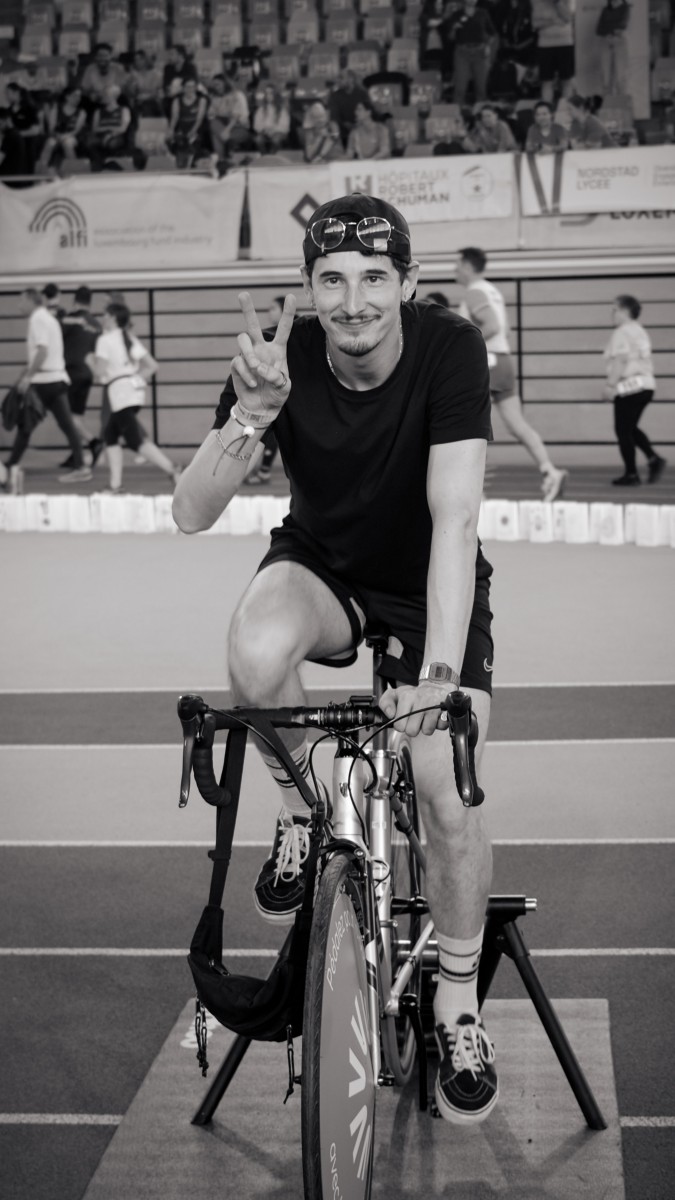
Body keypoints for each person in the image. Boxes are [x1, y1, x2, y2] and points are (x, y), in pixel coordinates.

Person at [174, 193, 500, 1126]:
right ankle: (304, 810)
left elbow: (455, 519)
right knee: (252, 649)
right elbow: (191, 512)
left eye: (373, 278)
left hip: (426, 587)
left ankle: (457, 1001)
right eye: (331, 279)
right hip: (323, 566)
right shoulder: (284, 359)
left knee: (442, 785)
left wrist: (438, 679)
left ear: (406, 282)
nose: (353, 300)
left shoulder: (449, 348)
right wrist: (250, 415)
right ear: (308, 287)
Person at [456, 247, 567, 501]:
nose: (455, 270)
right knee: (517, 425)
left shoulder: (474, 292)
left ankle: (475, 491)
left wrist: (462, 347)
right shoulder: (492, 291)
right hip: (503, 361)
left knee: (468, 427)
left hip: (487, 363)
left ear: (468, 266)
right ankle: (550, 471)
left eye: (457, 265)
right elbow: (504, 331)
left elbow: (493, 327)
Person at [4, 289, 90, 491]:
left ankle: (11, 464)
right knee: (66, 424)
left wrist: (27, 377)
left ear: (30, 300)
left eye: (21, 301)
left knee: (26, 424)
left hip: (45, 381)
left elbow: (42, 351)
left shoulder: (38, 319)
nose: (18, 305)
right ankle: (81, 465)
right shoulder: (48, 318)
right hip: (55, 378)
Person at [91, 302, 181, 493]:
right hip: (132, 392)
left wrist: (89, 360)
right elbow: (152, 366)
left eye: (105, 315)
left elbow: (99, 372)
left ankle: (173, 470)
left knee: (134, 440)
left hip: (119, 393)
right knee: (110, 435)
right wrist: (135, 380)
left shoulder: (104, 340)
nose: (102, 318)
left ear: (113, 318)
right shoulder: (128, 338)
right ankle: (115, 485)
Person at [603, 295, 666, 487]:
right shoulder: (640, 331)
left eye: (615, 310)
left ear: (625, 311)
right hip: (647, 385)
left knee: (623, 430)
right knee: (630, 428)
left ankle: (631, 473)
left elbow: (621, 359)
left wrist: (610, 385)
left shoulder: (622, 332)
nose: (612, 314)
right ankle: (653, 459)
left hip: (631, 386)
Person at [59, 286, 104, 469]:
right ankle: (76, 452)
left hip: (71, 373)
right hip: (87, 373)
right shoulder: (97, 325)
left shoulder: (68, 319)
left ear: (74, 300)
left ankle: (93, 442)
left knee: (68, 417)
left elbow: (55, 339)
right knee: (77, 415)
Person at [244, 296, 285, 487]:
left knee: (268, 431)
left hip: (285, 389)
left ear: (283, 310)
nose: (270, 312)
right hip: (279, 388)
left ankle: (261, 472)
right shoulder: (274, 333)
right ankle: (262, 471)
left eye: (273, 308)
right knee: (270, 431)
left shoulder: (292, 330)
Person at [445, 0, 498, 105]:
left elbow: (493, 34)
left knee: (481, 88)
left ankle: (480, 111)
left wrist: (488, 46)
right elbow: (450, 38)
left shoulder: (483, 13)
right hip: (462, 53)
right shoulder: (456, 14)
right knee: (460, 88)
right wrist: (454, 29)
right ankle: (458, 111)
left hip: (480, 53)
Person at [530, 0, 575, 104]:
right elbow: (535, 24)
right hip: (545, 44)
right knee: (546, 81)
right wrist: (554, 21)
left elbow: (568, 17)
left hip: (565, 42)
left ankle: (567, 109)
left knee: (566, 80)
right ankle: (546, 107)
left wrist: (557, 2)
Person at [167, 78, 209, 168]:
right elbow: (175, 117)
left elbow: (199, 119)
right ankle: (181, 165)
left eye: (192, 87)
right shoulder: (177, 100)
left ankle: (193, 164)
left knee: (194, 143)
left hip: (196, 127)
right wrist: (171, 129)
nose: (190, 89)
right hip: (182, 126)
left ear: (196, 88)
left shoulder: (202, 100)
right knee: (178, 142)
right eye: (187, 87)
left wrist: (193, 131)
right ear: (183, 88)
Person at [328, 69, 372, 147]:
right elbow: (334, 117)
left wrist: (359, 123)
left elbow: (369, 111)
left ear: (351, 79)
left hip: (363, 132)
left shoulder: (362, 93)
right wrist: (343, 125)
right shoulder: (334, 96)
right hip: (344, 135)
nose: (338, 80)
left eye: (341, 78)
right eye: (337, 78)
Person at [595, 0, 630, 95]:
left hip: (619, 43)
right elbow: (598, 30)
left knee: (620, 78)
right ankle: (607, 102)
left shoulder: (625, 8)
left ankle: (621, 103)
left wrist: (607, 27)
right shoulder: (605, 9)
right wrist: (614, 29)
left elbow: (622, 25)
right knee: (605, 78)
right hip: (605, 42)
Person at [80, 43, 128, 108]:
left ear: (110, 56)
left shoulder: (118, 68)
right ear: (95, 57)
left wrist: (108, 94)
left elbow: (122, 88)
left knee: (124, 100)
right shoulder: (90, 69)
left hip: (115, 101)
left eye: (105, 55)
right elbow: (84, 89)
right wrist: (90, 94)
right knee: (84, 101)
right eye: (99, 55)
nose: (102, 58)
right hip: (96, 101)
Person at [252, 84, 290, 154]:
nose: (268, 96)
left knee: (276, 140)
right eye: (266, 93)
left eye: (271, 93)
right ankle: (264, 156)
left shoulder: (282, 110)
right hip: (264, 132)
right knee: (258, 140)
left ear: (275, 95)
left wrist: (273, 130)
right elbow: (256, 125)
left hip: (278, 132)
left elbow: (285, 125)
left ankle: (271, 156)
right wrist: (264, 129)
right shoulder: (261, 109)